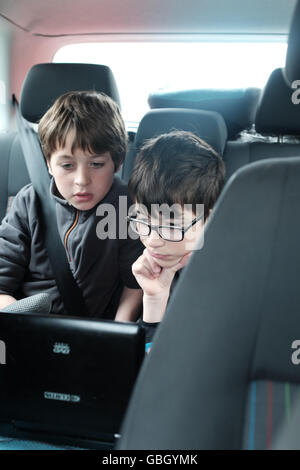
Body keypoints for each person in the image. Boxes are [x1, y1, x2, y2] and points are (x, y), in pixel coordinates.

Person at [0, 91, 143, 319]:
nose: (82, 180)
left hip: (97, 333)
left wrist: (118, 334)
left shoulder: (126, 207)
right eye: (67, 165)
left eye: (96, 164)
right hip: (31, 330)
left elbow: (135, 281)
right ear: (49, 164)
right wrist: (17, 323)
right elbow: (2, 282)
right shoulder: (29, 203)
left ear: (117, 163)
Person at [126, 130, 225, 350]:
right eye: (142, 220)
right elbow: (145, 370)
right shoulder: (160, 271)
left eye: (171, 226)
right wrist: (154, 300)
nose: (152, 240)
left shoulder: (227, 285)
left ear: (211, 218)